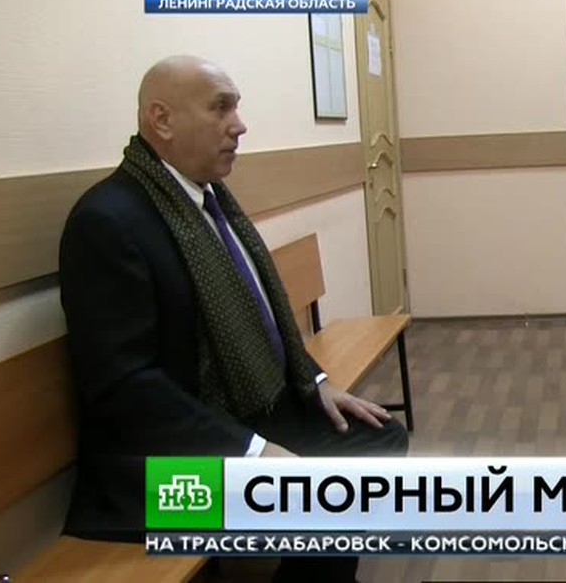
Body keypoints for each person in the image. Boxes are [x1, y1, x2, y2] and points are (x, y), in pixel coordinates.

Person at [58, 55, 408, 582]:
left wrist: (313, 382)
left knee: (377, 441)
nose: (239, 125)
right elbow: (124, 387)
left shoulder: (207, 201)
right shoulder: (108, 222)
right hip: (163, 462)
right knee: (318, 491)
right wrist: (251, 452)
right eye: (221, 108)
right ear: (162, 120)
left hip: (244, 409)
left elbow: (262, 318)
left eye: (236, 108)